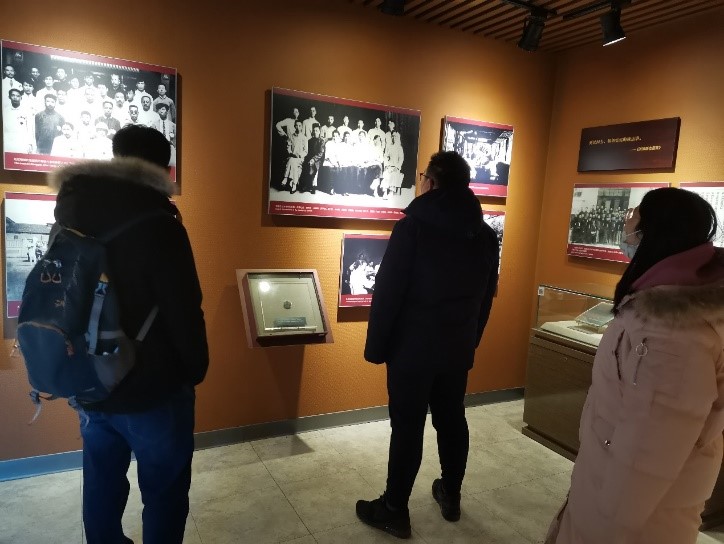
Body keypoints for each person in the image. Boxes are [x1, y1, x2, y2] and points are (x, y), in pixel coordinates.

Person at [47, 124, 208, 544]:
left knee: (101, 483)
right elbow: (183, 308)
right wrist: (195, 369)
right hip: (152, 384)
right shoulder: (160, 223)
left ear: (116, 157)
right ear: (164, 169)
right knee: (164, 491)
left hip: (90, 379)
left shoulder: (71, 213)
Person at [546, 187, 724, 544]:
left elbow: (651, 450)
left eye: (634, 222)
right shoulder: (665, 307)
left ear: (655, 233)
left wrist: (607, 525)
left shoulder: (673, 333)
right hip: (619, 484)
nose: (627, 231)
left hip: (635, 513)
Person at [356, 151, 499, 539]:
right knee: (452, 420)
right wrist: (470, 341)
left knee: (407, 427)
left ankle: (394, 508)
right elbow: (485, 298)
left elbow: (389, 292)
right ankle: (451, 495)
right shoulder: (484, 234)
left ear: (431, 182)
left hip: (412, 350)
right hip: (456, 349)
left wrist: (376, 347)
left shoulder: (414, 227)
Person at [4, 88, 35, 154]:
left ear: (21, 98)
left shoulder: (26, 110)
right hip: (8, 142)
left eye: (18, 96)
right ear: (9, 97)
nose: (15, 98)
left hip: (22, 142)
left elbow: (30, 128)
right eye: (13, 95)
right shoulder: (5, 111)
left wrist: (30, 143)